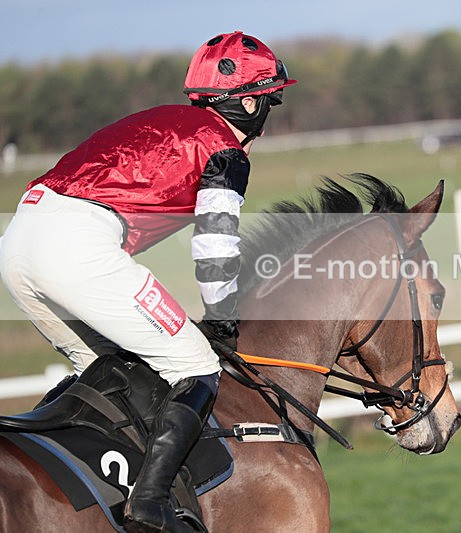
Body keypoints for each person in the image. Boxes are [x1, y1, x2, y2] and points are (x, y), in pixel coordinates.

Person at [0, 31, 295, 532]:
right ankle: (151, 503)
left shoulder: (162, 119)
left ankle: (89, 494)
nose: (269, 110)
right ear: (250, 101)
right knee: (195, 364)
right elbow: (215, 242)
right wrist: (222, 315)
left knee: (110, 370)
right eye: (270, 99)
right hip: (77, 245)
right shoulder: (225, 149)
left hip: (17, 238)